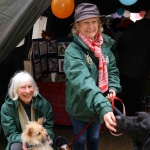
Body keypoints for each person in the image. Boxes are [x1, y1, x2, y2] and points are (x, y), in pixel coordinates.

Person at [63, 3, 121, 150]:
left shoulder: (105, 48)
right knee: (81, 138)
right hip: (80, 105)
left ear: (99, 23)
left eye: (94, 21)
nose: (91, 26)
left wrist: (113, 87)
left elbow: (112, 70)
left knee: (94, 138)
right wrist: (103, 106)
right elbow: (83, 81)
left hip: (98, 107)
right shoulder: (73, 51)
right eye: (86, 22)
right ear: (77, 25)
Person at [1, 71, 55, 150]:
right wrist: (24, 140)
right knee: (15, 148)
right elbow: (11, 133)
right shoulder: (7, 108)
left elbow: (49, 125)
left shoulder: (44, 103)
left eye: (30, 86)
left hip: (41, 138)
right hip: (20, 139)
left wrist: (48, 135)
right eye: (23, 87)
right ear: (15, 90)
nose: (27, 91)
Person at [116, 10, 150, 116]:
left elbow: (120, 46)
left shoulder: (132, 27)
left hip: (124, 66)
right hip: (141, 69)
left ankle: (118, 117)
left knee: (122, 94)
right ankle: (130, 119)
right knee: (134, 96)